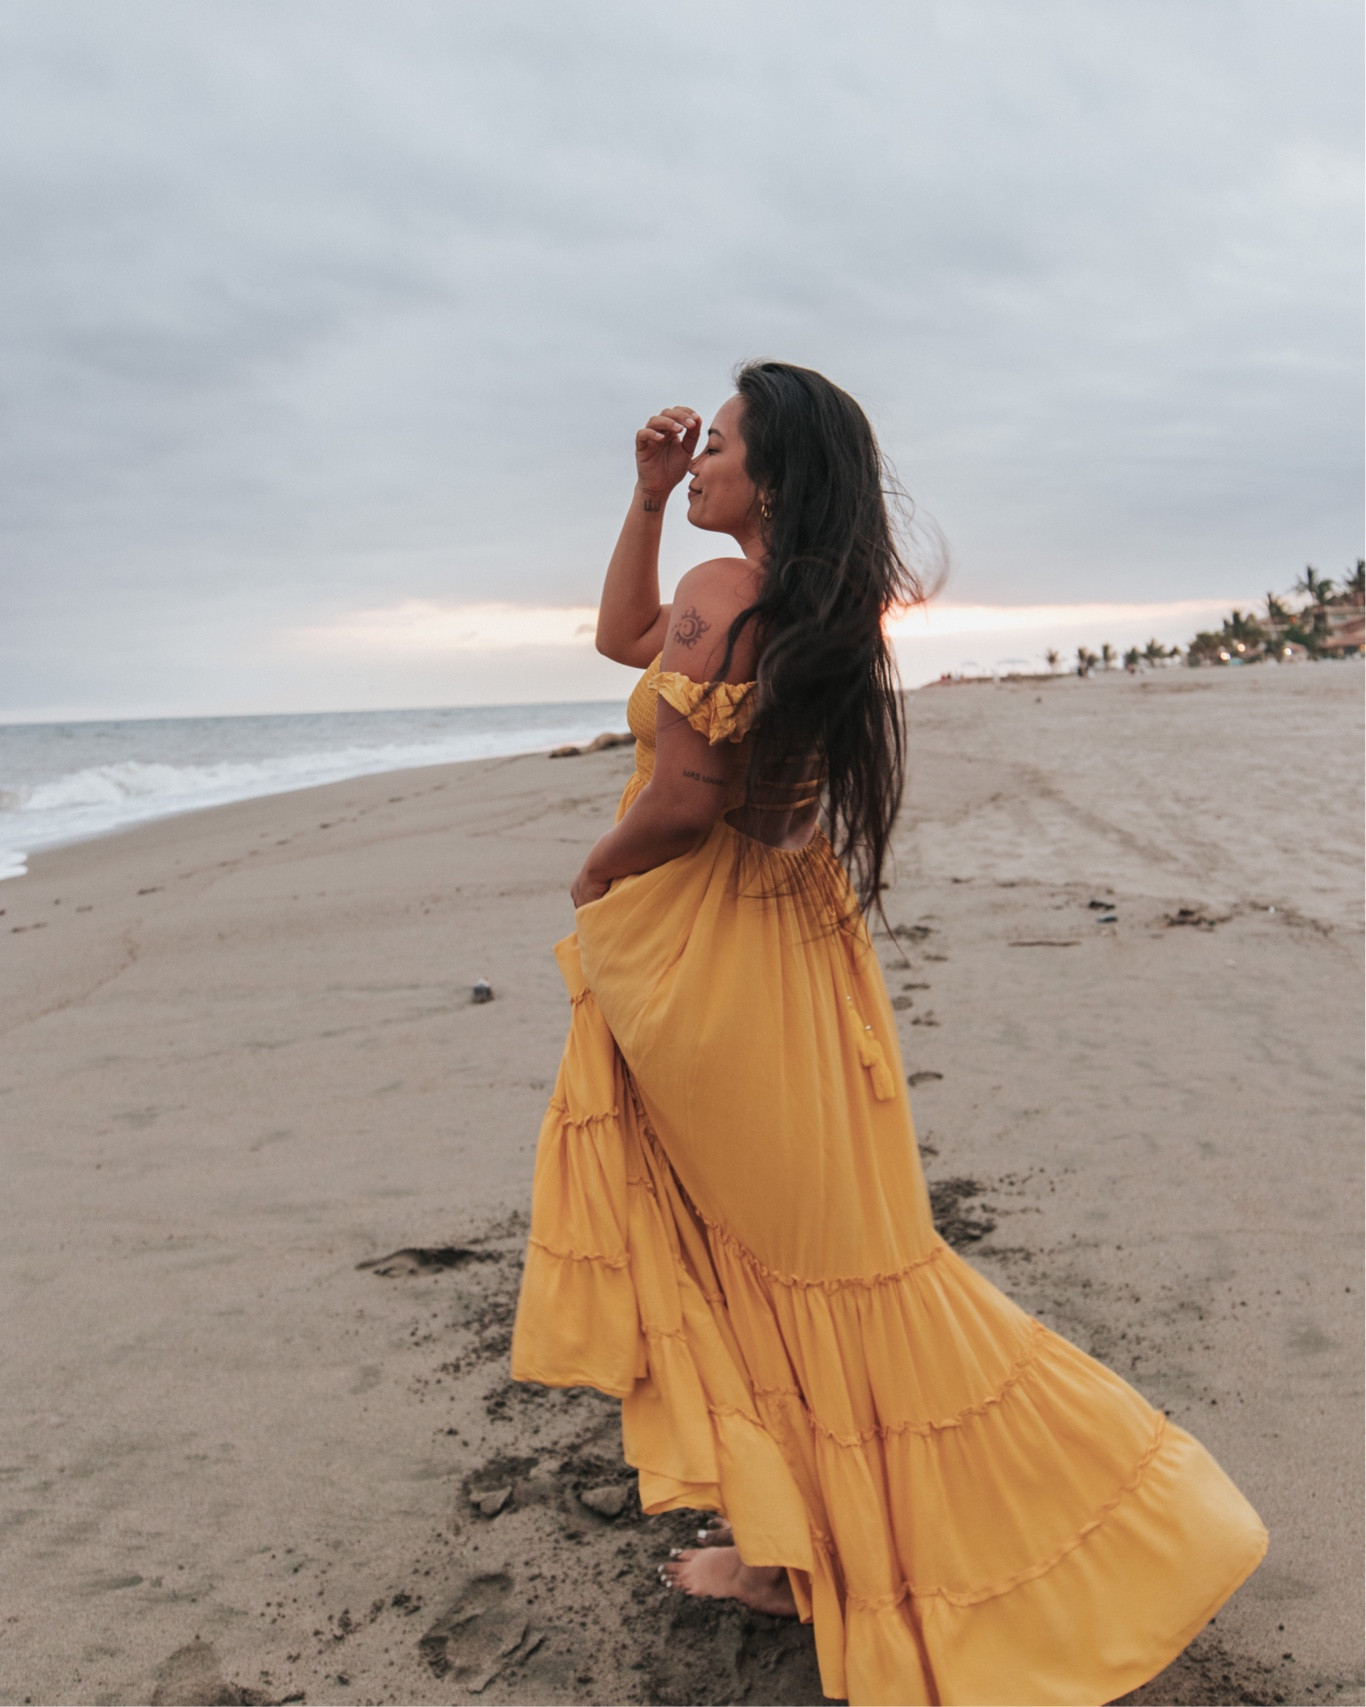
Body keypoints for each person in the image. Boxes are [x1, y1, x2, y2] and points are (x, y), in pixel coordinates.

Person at [510, 361, 1266, 1706]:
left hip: (711, 948)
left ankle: (1100, 1526)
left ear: (777, 479)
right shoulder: (814, 606)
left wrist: (596, 868)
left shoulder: (728, 595)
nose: (697, 465)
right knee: (813, 1251)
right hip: (795, 946)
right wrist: (637, 500)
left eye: (717, 450)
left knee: (754, 1247)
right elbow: (625, 639)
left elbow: (683, 798)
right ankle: (778, 1547)